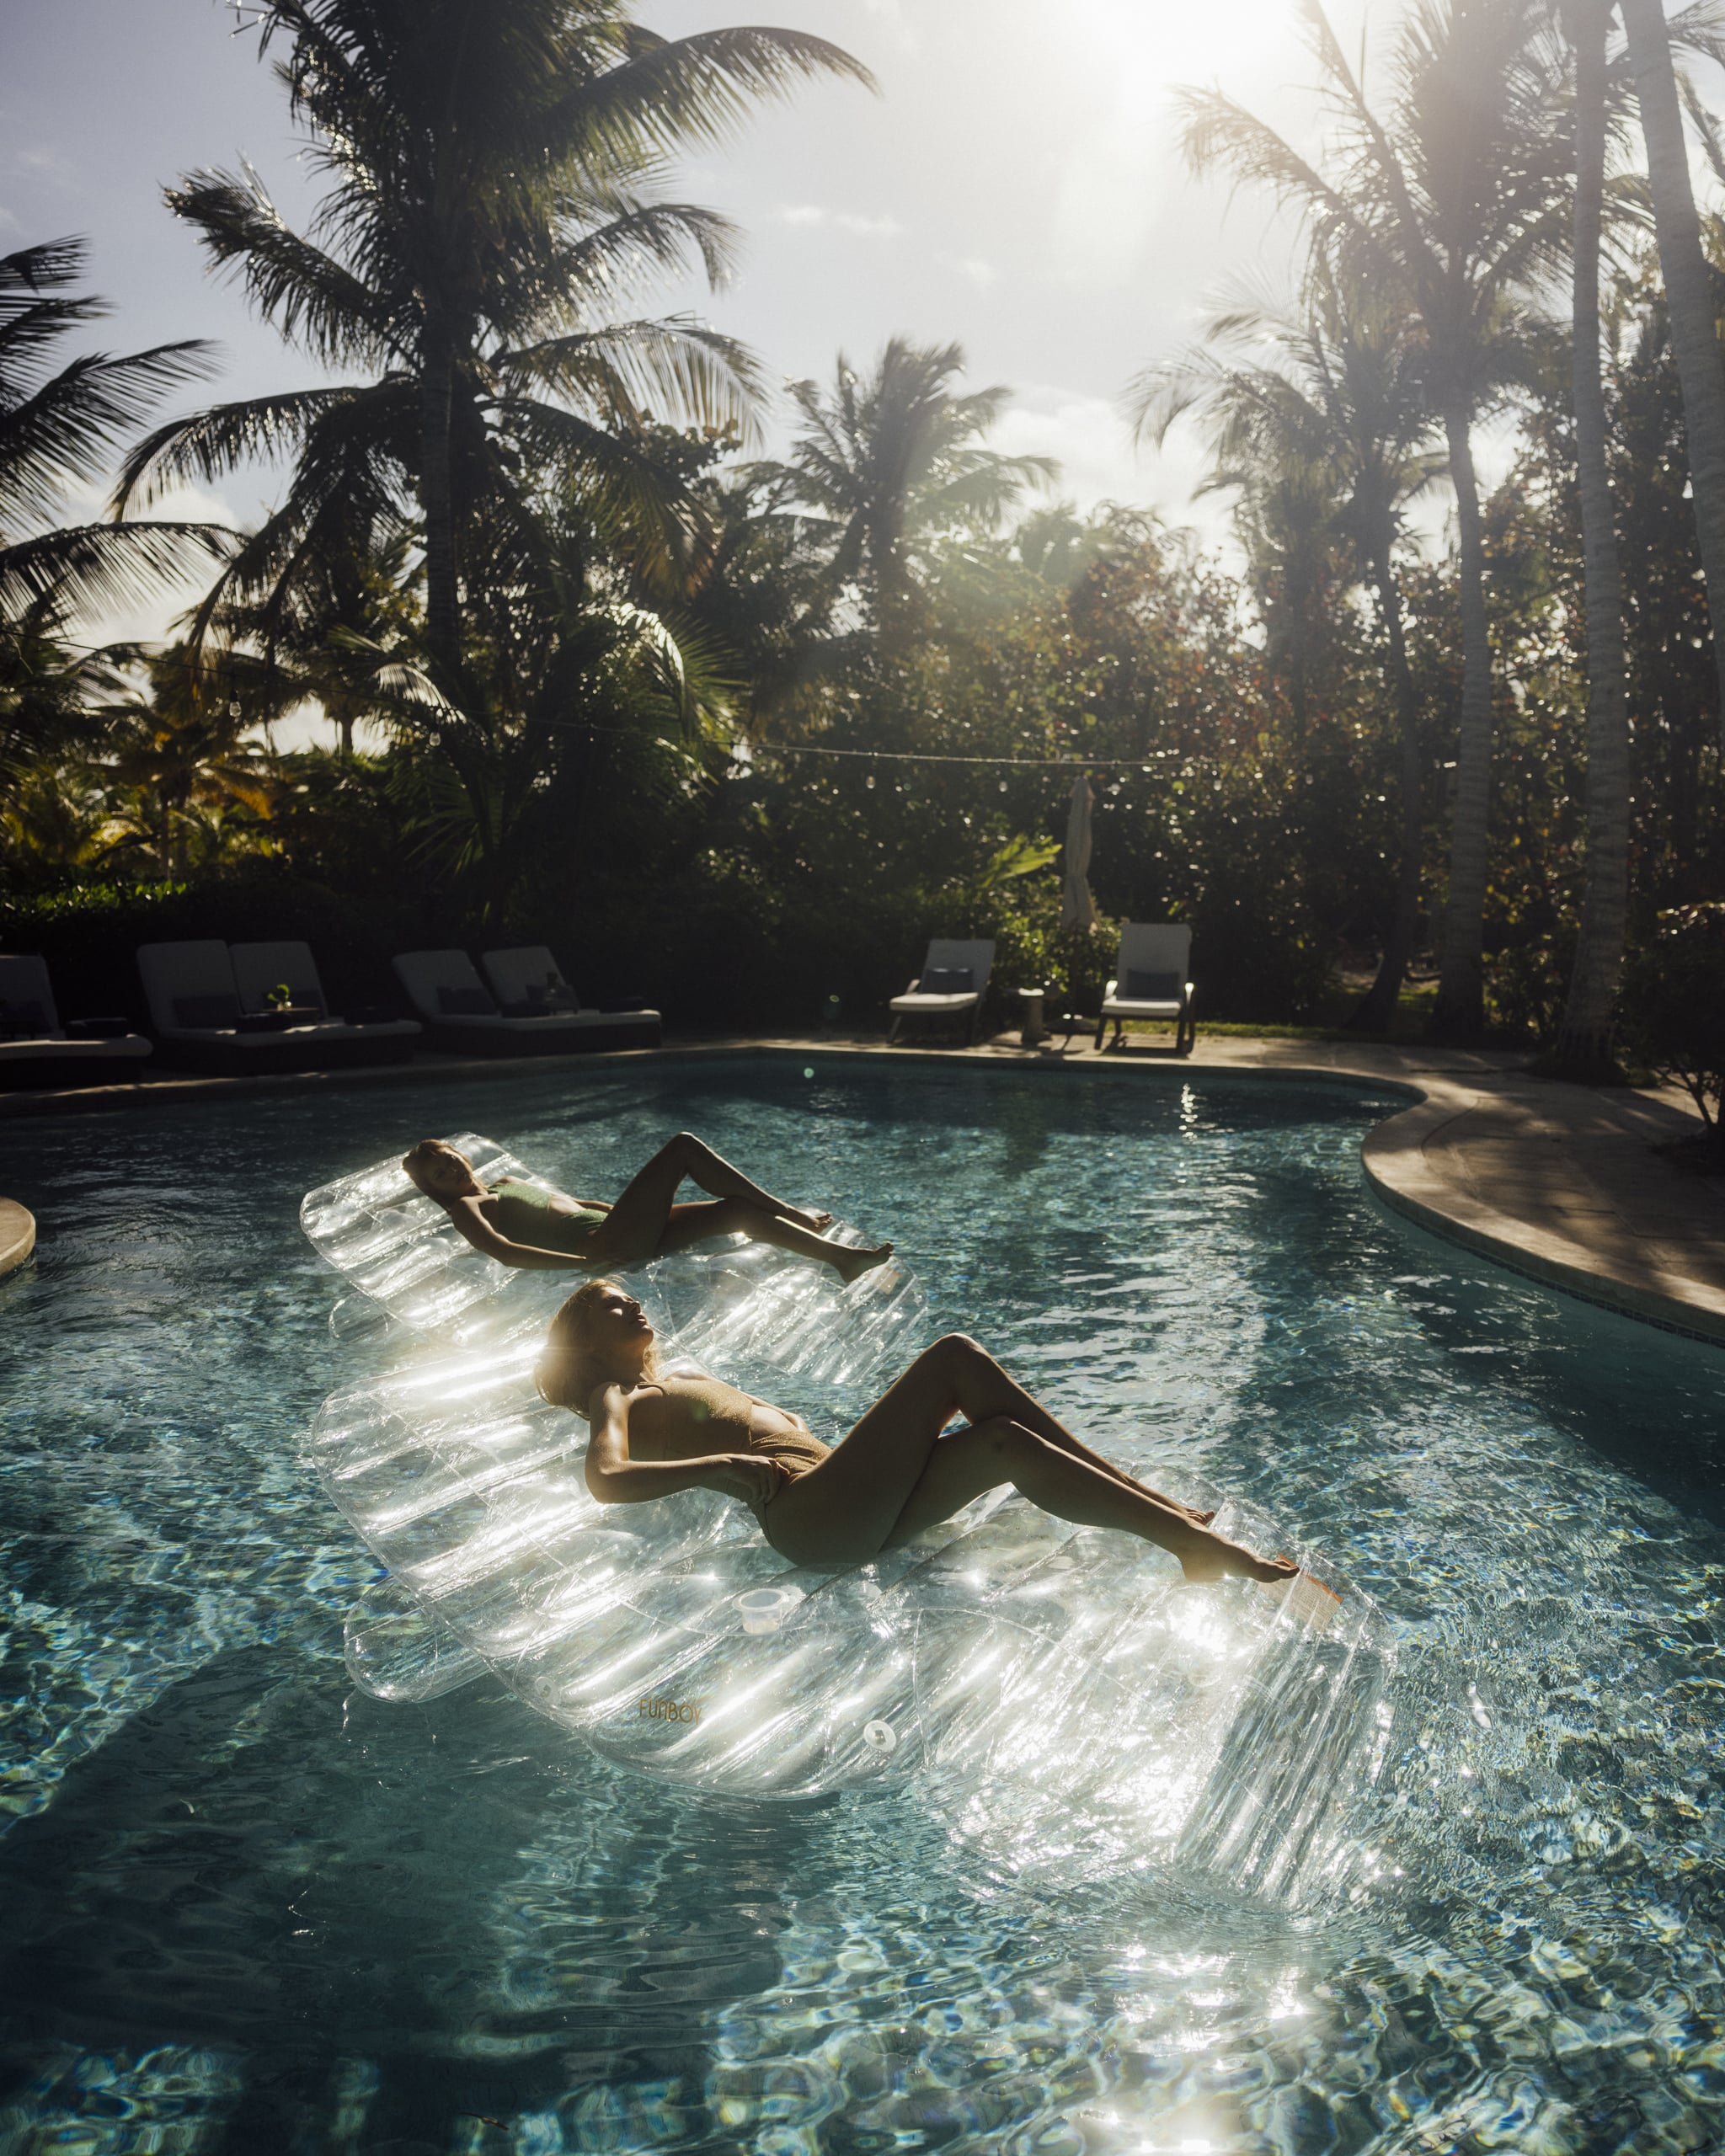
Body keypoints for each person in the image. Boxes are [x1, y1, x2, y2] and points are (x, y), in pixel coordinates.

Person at [535, 1278, 1301, 1584]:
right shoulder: (615, 1391)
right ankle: (1189, 1538)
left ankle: (1171, 1529)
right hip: (810, 1519)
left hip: (846, 1505)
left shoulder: (680, 1376)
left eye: (630, 1297)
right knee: (954, 1358)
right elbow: (605, 1479)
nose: (632, 1305)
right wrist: (724, 1466)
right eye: (610, 1305)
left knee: (1007, 1442)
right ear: (587, 1340)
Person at [402, 1134, 893, 1285]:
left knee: (736, 1210)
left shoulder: (505, 1181)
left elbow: (580, 1203)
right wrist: (585, 1263)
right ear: (435, 1189)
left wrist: (645, 1209)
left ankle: (842, 1260)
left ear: (460, 1155)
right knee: (681, 1147)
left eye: (447, 1159)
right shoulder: (467, 1206)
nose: (449, 1169)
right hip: (605, 1244)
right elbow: (504, 1252)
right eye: (438, 1174)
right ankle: (792, 1212)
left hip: (617, 1228)